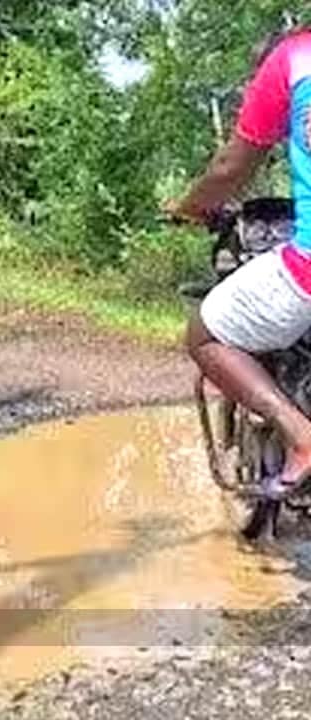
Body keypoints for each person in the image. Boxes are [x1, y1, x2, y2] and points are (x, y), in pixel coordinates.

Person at [167, 26, 311, 498]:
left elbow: (231, 168)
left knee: (203, 332)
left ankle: (301, 435)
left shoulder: (293, 59)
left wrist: (190, 206)